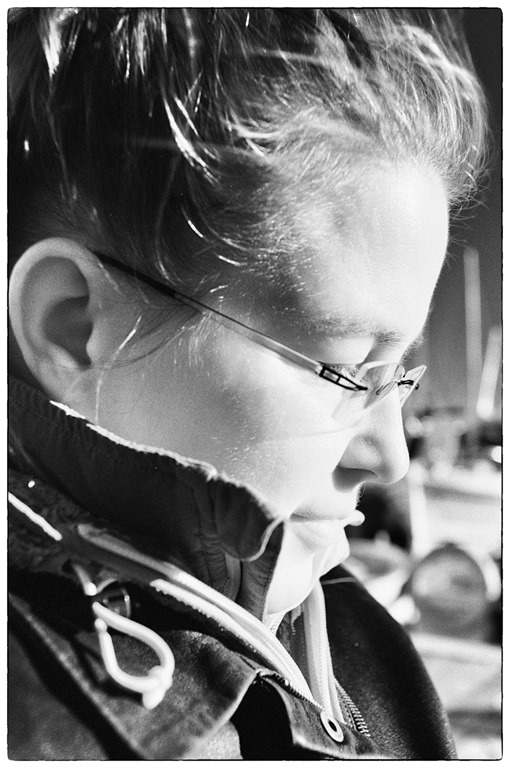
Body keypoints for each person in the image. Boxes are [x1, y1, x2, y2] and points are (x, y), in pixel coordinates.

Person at [7, 8, 488, 760]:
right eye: (345, 370)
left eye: (396, 379)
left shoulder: (372, 654)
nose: (391, 458)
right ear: (74, 326)